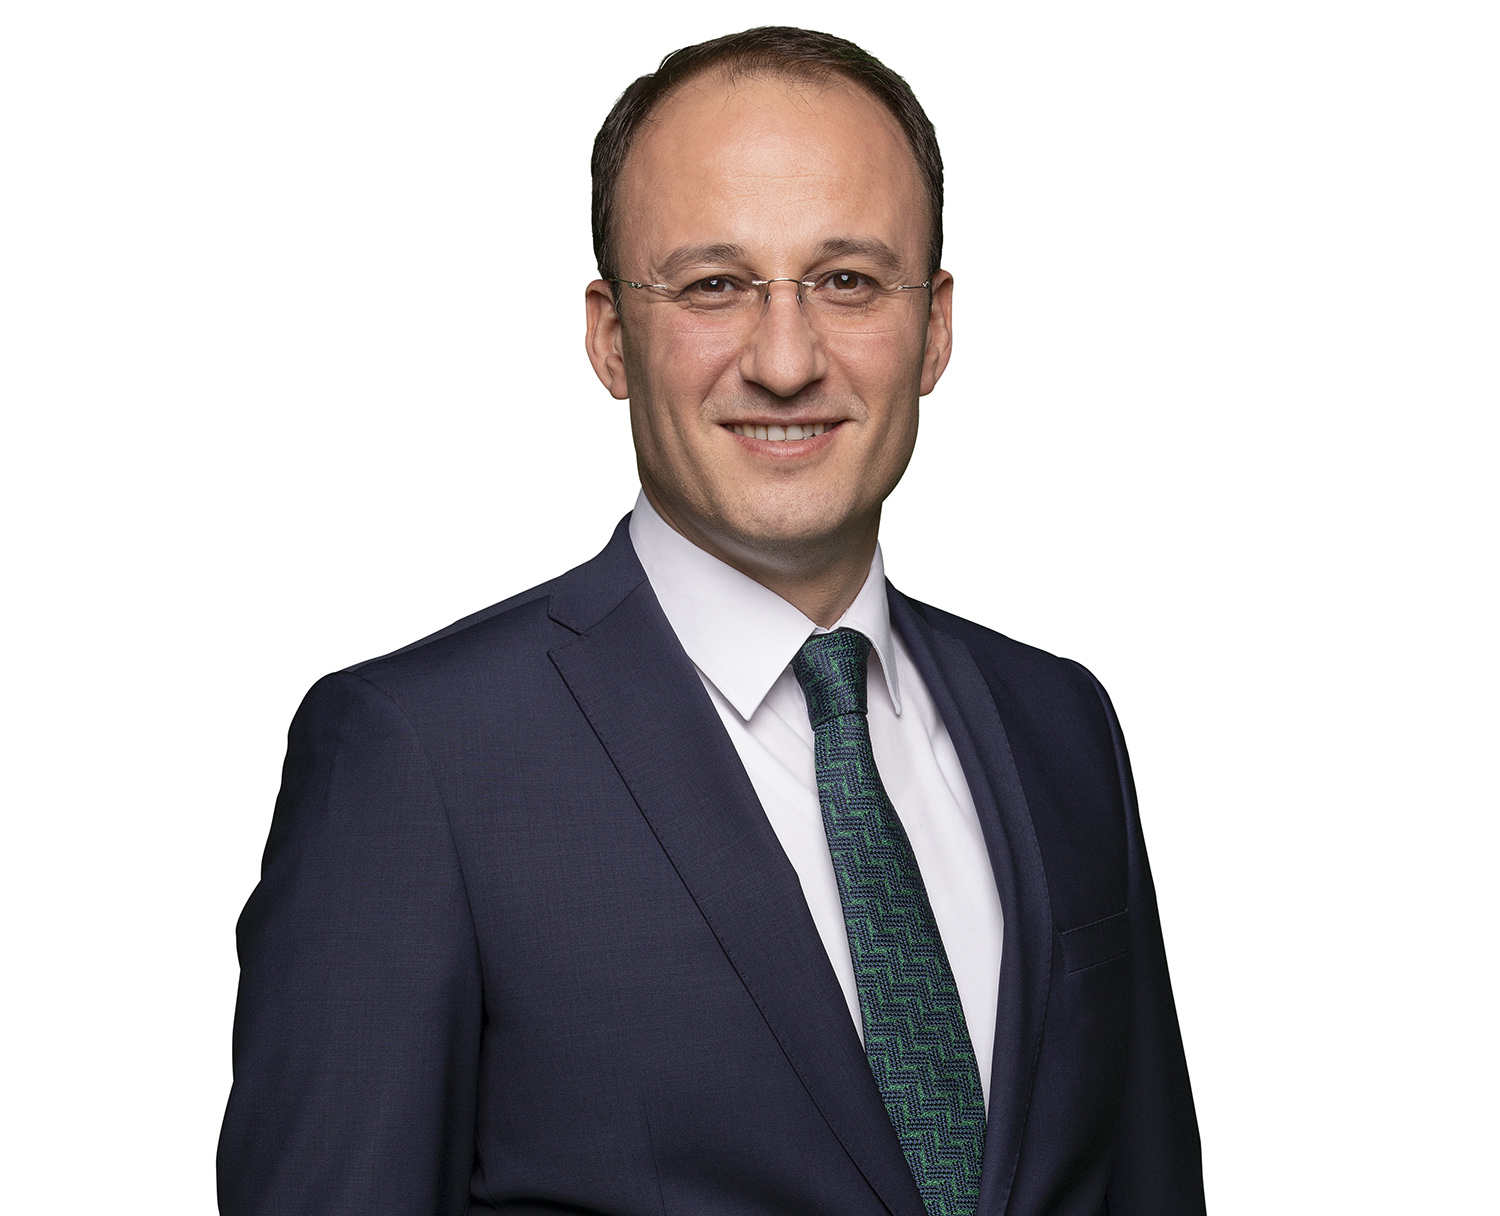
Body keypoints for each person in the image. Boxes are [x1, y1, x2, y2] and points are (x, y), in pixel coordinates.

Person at [218, 26, 1205, 1216]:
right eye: (713, 286)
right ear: (609, 336)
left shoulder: (1062, 726)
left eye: (848, 280)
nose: (785, 360)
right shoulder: (418, 761)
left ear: (935, 325)